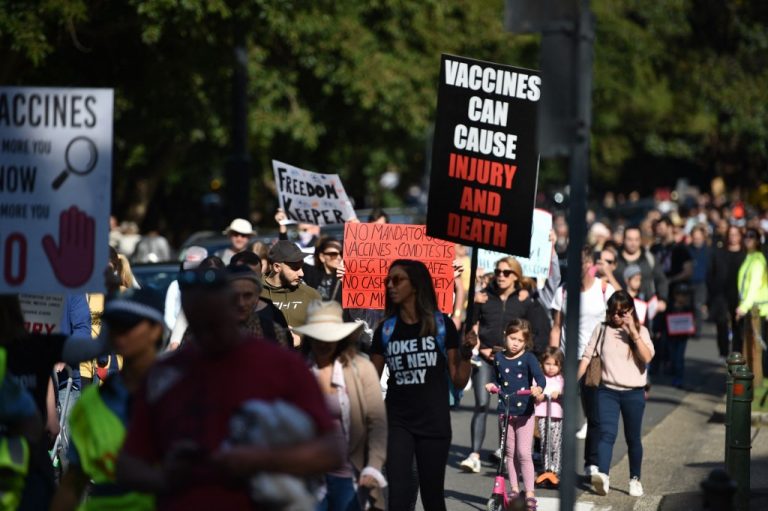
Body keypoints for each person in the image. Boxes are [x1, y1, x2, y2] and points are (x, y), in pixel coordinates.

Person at [115, 268, 342, 510]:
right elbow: (127, 465)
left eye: (215, 323)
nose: (208, 334)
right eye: (198, 323)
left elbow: (331, 450)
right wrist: (170, 477)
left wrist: (261, 460)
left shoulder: (282, 365)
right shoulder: (165, 375)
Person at [369, 259, 476, 511]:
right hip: (397, 422)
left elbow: (458, 380)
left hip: (434, 423)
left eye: (398, 280)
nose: (390, 285)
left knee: (432, 497)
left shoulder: (441, 325)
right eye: (388, 280)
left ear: (416, 285)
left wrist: (466, 354)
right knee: (398, 496)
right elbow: (371, 381)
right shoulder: (385, 329)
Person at [51, 288, 166, 511]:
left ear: (156, 330)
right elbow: (73, 483)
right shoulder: (90, 403)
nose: (119, 334)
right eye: (114, 325)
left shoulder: (179, 393)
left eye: (129, 325)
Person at [0, 295, 113, 511]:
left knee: (68, 453)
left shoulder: (40, 345)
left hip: (31, 478)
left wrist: (109, 293)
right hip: (27, 473)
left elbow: (93, 342)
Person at [296, 301, 388, 511]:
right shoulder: (299, 371)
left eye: (330, 337)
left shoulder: (361, 369)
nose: (324, 344)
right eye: (319, 337)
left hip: (349, 476)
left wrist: (373, 467)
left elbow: (377, 422)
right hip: (310, 475)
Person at [460, 256, 543, 473]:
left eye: (506, 272)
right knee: (481, 403)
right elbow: (471, 326)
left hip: (512, 362)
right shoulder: (484, 296)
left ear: (516, 276)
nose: (501, 276)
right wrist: (479, 344)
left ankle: (505, 453)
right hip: (486, 358)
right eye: (497, 271)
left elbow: (535, 331)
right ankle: (474, 455)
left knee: (508, 408)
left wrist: (524, 357)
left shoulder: (524, 300)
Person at [577, 291, 654, 498]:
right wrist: (571, 383)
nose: (617, 316)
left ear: (631, 311)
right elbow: (587, 357)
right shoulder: (602, 329)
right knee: (606, 434)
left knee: (633, 438)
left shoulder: (642, 331)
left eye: (622, 312)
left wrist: (633, 332)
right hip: (607, 390)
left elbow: (647, 357)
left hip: (634, 393)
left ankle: (635, 479)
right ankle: (603, 475)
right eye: (613, 312)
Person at [549, 245, 615, 475]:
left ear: (590, 265)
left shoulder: (604, 289)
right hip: (568, 359)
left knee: (593, 412)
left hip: (595, 359)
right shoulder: (564, 291)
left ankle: (591, 463)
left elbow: (619, 321)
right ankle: (554, 461)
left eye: (580, 264)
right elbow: (556, 327)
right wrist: (552, 358)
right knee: (560, 409)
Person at [484, 319, 545, 510]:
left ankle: (530, 493)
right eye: (512, 338)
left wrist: (538, 388)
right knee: (509, 453)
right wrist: (492, 385)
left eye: (520, 340)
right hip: (506, 410)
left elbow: (540, 378)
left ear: (526, 342)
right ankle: (514, 490)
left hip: (524, 412)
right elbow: (497, 378)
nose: (516, 343)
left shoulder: (528, 358)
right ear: (505, 336)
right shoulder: (499, 358)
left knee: (523, 453)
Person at [261, 240, 322, 343]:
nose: (301, 273)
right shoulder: (255, 293)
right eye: (295, 268)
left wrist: (301, 339)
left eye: (301, 267)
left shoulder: (311, 295)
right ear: (277, 267)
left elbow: (324, 332)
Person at [227, 264, 291, 348]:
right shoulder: (211, 333)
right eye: (233, 296)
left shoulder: (273, 331)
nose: (241, 303)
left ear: (257, 296)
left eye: (247, 296)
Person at [707, 225, 746, 356]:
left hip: (739, 295)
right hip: (721, 294)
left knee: (738, 325)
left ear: (740, 236)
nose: (733, 237)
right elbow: (711, 274)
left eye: (735, 234)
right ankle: (723, 353)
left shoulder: (745, 254)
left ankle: (737, 353)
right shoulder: (719, 253)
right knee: (722, 323)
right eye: (730, 234)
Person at [735, 228, 768, 374]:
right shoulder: (750, 257)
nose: (748, 239)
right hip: (753, 308)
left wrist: (744, 306)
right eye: (746, 236)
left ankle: (758, 378)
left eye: (752, 236)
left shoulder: (757, 260)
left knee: (757, 350)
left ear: (758, 240)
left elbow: (754, 286)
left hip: (759, 309)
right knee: (751, 347)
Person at [534, 347, 564, 479]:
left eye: (555, 365)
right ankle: (546, 468)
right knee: (545, 443)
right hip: (542, 415)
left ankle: (556, 469)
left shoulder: (561, 379)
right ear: (542, 364)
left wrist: (559, 394)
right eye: (548, 364)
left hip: (556, 416)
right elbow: (534, 391)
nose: (551, 367)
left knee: (555, 443)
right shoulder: (539, 379)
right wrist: (538, 394)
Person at [164, 245, 208, 331]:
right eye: (189, 266)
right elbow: (169, 316)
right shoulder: (175, 286)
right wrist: (180, 332)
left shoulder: (210, 285)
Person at [303, 237, 344, 303]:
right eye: (333, 254)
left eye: (341, 253)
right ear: (322, 257)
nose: (339, 257)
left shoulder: (343, 277)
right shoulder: (311, 273)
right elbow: (288, 255)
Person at [688, 225, 711, 337]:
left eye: (699, 238)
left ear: (703, 238)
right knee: (689, 306)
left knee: (698, 306)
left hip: (701, 283)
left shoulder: (708, 251)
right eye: (694, 237)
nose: (696, 240)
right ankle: (687, 328)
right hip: (688, 282)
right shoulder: (687, 250)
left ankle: (697, 330)